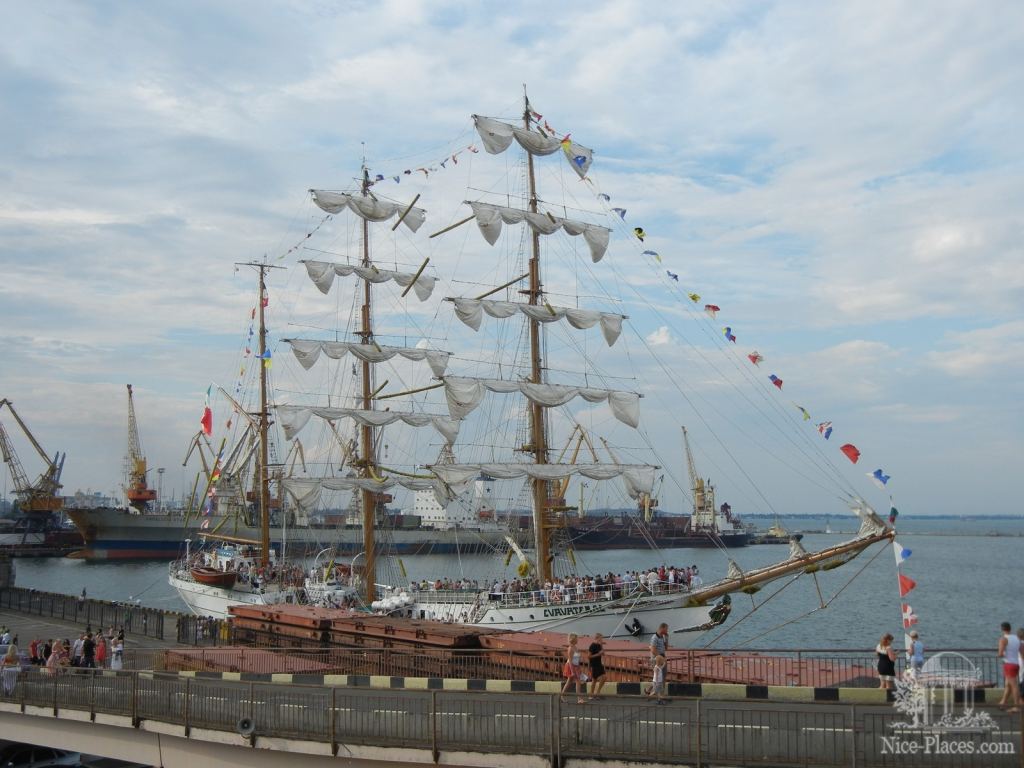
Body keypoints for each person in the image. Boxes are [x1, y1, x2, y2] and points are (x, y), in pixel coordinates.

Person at [997, 621, 1021, 711]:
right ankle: (1003, 702)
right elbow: (1021, 651)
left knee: (1014, 685)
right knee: (1008, 684)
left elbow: (1000, 654)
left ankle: (1017, 706)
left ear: (1002, 629)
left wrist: (1001, 654)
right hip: (1016, 664)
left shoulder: (1003, 639)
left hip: (1008, 665)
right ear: (1010, 628)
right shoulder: (1017, 638)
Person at [559, 633, 586, 705]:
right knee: (578, 681)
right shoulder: (570, 648)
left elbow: (576, 659)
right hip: (571, 666)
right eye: (577, 638)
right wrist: (572, 671)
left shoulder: (575, 647)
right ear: (574, 639)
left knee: (569, 681)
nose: (578, 640)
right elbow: (570, 661)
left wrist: (578, 668)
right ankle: (579, 699)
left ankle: (561, 696)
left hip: (576, 666)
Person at [588, 633, 607, 700]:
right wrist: (598, 654)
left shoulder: (599, 645)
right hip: (594, 664)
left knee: (604, 677)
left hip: (599, 663)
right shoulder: (592, 645)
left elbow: (603, 653)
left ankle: (597, 692)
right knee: (594, 680)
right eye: (601, 638)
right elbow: (589, 656)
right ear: (597, 638)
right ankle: (591, 695)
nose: (602, 639)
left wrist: (601, 646)